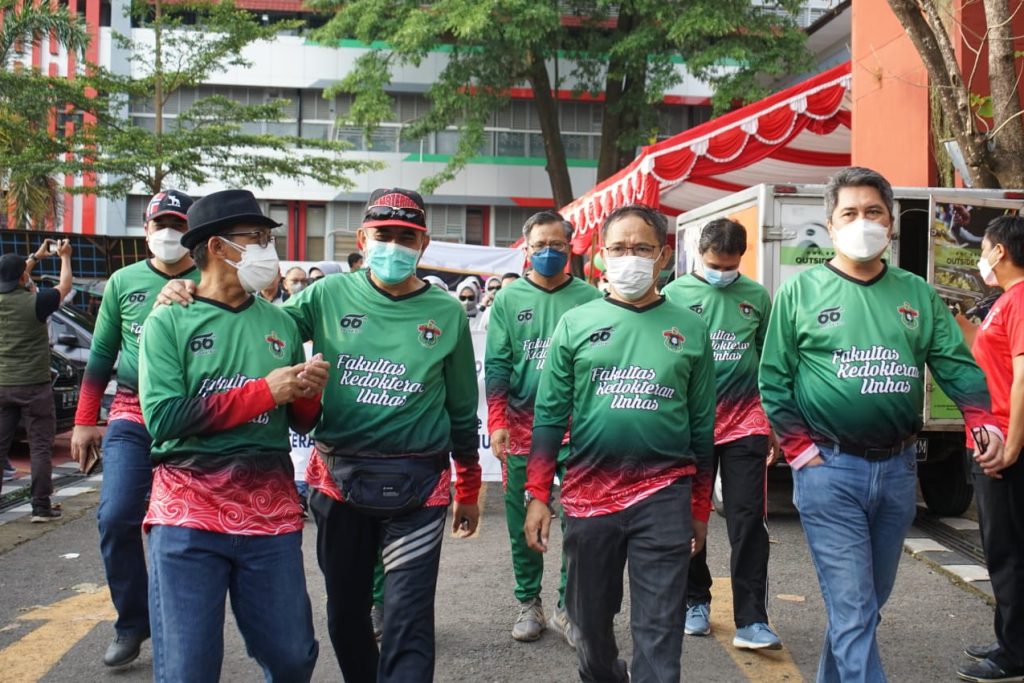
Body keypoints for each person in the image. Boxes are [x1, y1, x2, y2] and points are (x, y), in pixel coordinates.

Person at [155, 187, 482, 682]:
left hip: (420, 482)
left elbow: (461, 406)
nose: (394, 245)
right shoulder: (324, 295)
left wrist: (471, 481)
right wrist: (180, 291)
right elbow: (247, 330)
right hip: (337, 478)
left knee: (408, 619)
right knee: (346, 612)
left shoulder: (448, 311)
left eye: (406, 237)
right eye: (383, 234)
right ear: (362, 238)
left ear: (423, 243)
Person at [759, 166, 1003, 683]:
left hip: (896, 473)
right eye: (850, 213)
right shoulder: (800, 294)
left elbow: (954, 366)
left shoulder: (916, 293)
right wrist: (801, 452)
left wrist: (983, 420)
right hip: (829, 470)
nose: (862, 222)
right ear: (830, 224)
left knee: (865, 609)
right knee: (852, 609)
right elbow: (774, 379)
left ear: (890, 224)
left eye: (873, 212)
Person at [139, 189, 327, 682]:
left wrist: (306, 394)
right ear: (219, 247)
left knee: (293, 656)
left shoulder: (282, 324)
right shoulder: (168, 320)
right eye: (258, 239)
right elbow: (164, 418)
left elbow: (299, 423)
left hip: (270, 508)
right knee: (188, 669)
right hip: (188, 509)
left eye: (269, 238)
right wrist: (264, 392)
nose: (270, 250)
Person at [525, 204, 715, 683]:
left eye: (642, 248)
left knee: (659, 628)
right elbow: (549, 415)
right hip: (589, 497)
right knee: (589, 623)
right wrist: (538, 495)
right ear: (600, 257)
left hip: (665, 494)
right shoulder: (575, 323)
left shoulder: (690, 328)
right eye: (618, 249)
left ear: (663, 256)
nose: (629, 257)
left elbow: (701, 427)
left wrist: (698, 508)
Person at [70, 189, 201, 668]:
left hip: (193, 418)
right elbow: (101, 356)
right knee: (116, 515)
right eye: (160, 225)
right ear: (145, 231)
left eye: (179, 225)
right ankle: (132, 621)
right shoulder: (123, 282)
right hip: (132, 412)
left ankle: (182, 621)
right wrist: (85, 422)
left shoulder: (211, 280)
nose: (169, 234)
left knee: (177, 528)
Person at [662, 218, 781, 650]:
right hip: (689, 424)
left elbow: (769, 360)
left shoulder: (756, 297)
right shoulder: (673, 295)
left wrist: (771, 420)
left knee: (748, 520)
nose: (722, 273)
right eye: (715, 264)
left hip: (746, 422)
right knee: (684, 518)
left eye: (730, 266)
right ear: (699, 254)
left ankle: (752, 619)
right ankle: (695, 601)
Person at [486, 211, 601, 645]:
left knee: (581, 525)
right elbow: (497, 366)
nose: (548, 253)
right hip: (522, 431)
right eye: (540, 246)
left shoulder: (591, 299)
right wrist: (497, 421)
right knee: (523, 524)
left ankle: (567, 607)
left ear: (570, 248)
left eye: (557, 245)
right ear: (525, 247)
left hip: (582, 431)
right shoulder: (509, 301)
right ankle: (527, 602)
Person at [958, 215, 1024, 683]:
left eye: (984, 246)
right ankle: (1009, 638)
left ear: (999, 251)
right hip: (990, 441)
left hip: (1005, 448)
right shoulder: (1004, 302)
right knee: (1000, 547)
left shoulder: (1021, 300)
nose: (981, 254)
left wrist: (1013, 446)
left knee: (1009, 551)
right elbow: (986, 357)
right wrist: (952, 323)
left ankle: (1015, 655)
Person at [0, 239, 73, 523]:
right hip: (36, 388)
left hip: (2, 386)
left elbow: (13, 276)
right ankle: (41, 507)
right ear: (23, 277)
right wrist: (64, 257)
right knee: (40, 448)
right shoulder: (37, 302)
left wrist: (33, 257)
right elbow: (65, 287)